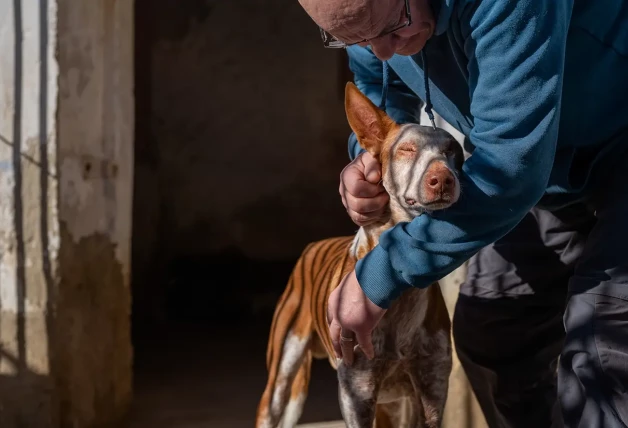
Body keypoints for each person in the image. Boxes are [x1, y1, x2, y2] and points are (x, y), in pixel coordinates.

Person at [297, 0, 628, 427]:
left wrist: (385, 271)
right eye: (352, 38)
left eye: (392, 26)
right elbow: (382, 91)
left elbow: (510, 168)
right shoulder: (374, 22)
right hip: (550, 174)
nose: (380, 50)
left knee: (606, 342)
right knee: (497, 334)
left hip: (601, 143)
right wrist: (372, 163)